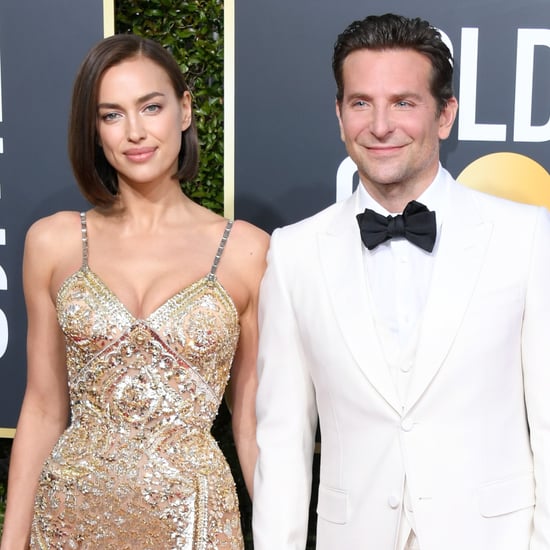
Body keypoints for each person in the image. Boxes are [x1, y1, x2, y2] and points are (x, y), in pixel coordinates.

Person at [253, 13, 550, 550]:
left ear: (445, 115)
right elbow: (282, 440)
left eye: (404, 103)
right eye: (361, 102)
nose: (380, 125)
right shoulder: (294, 251)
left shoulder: (525, 236)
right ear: (340, 115)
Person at [0, 33, 268, 549]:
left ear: (184, 110)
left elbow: (252, 425)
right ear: (94, 129)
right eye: (112, 115)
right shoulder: (53, 242)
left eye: (151, 106)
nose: (136, 132)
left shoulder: (247, 252)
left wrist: (281, 538)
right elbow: (42, 408)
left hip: (195, 521)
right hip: (72, 518)